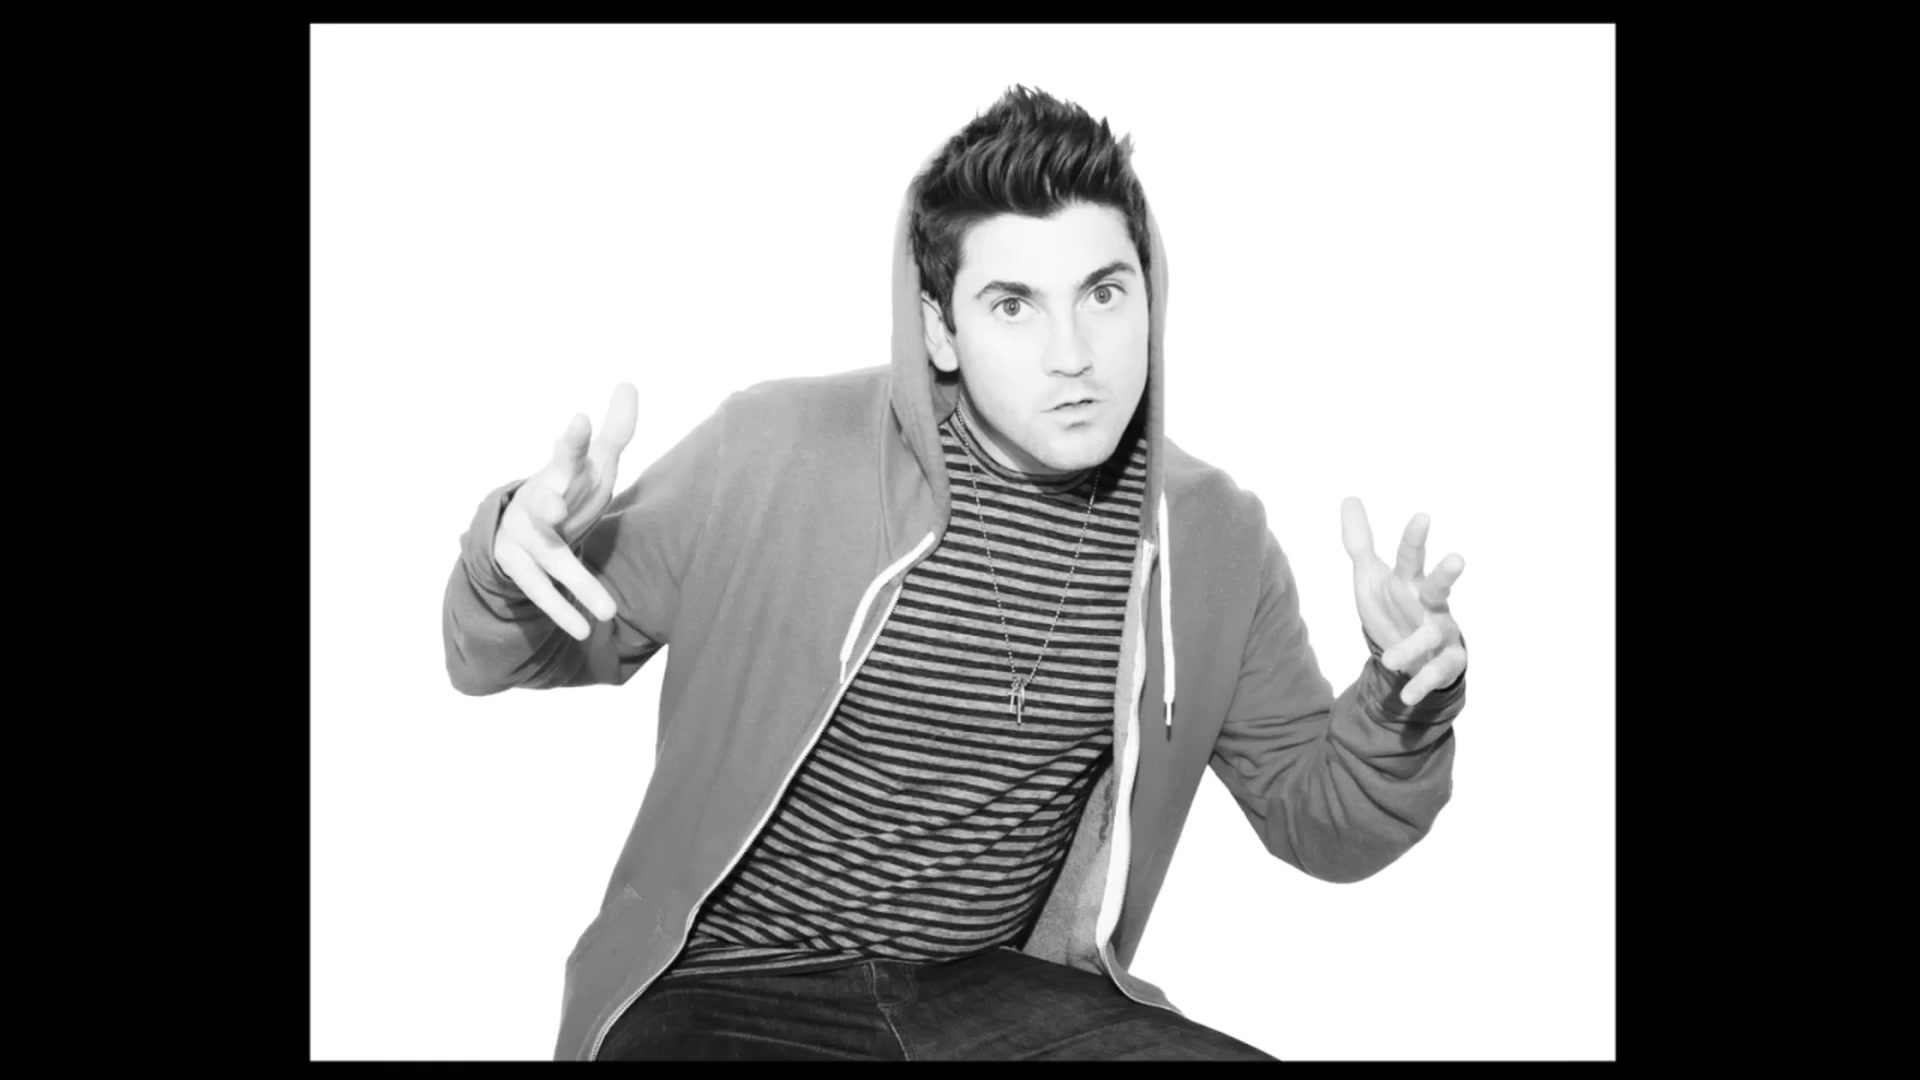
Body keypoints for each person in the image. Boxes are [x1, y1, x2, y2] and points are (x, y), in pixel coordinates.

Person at [442, 84, 1468, 1062]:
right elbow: (494, 657)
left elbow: (1319, 820)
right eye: (1014, 306)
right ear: (941, 327)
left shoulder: (1210, 538)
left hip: (989, 999)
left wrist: (1401, 699)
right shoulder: (772, 451)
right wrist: (509, 557)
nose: (1074, 354)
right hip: (727, 984)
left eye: (1104, 294)